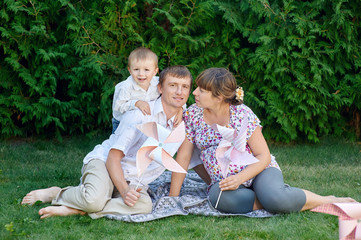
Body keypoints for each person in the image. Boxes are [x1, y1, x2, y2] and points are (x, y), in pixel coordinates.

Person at [169, 67, 356, 214]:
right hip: (225, 180)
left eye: (201, 90)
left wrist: (241, 178)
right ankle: (272, 200)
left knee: (275, 198)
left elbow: (263, 156)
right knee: (218, 198)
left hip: (259, 171)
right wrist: (173, 198)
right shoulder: (192, 115)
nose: (194, 92)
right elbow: (184, 157)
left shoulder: (242, 114)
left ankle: (327, 200)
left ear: (219, 97)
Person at [21, 65, 197, 219]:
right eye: (173, 86)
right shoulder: (139, 115)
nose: (179, 92)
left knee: (145, 206)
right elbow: (113, 157)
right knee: (93, 200)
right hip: (106, 164)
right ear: (159, 88)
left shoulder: (183, 121)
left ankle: (78, 209)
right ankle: (58, 193)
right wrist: (125, 191)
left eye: (185, 87)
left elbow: (184, 155)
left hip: (134, 178)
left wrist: (171, 198)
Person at [111, 47, 160, 133]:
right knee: (120, 144)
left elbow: (170, 94)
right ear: (130, 70)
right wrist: (136, 103)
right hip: (122, 121)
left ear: (155, 71)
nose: (141, 74)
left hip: (145, 120)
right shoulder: (126, 86)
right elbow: (118, 106)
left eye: (146, 70)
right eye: (136, 69)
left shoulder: (158, 83)